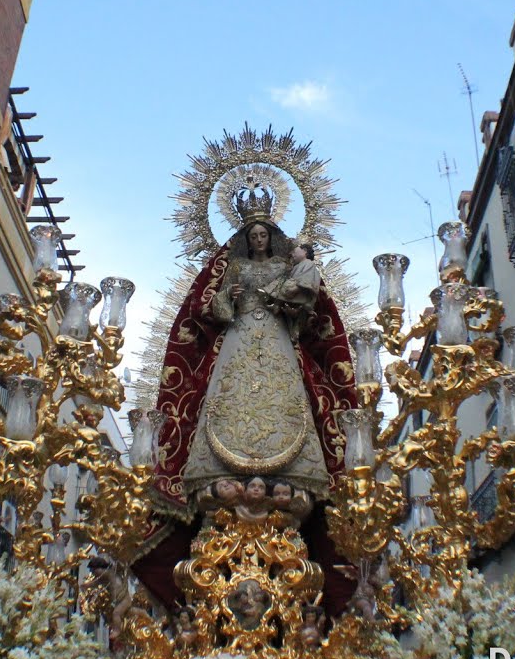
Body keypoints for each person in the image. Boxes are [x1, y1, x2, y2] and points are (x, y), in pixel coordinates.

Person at [132, 189, 358, 614]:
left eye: (263, 233)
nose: (257, 239)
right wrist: (228, 299)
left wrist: (292, 297)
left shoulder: (287, 266)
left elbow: (309, 311)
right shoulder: (232, 267)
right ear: (244, 237)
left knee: (289, 408)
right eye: (251, 234)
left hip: (277, 346)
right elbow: (209, 309)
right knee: (221, 403)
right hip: (236, 343)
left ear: (272, 236)